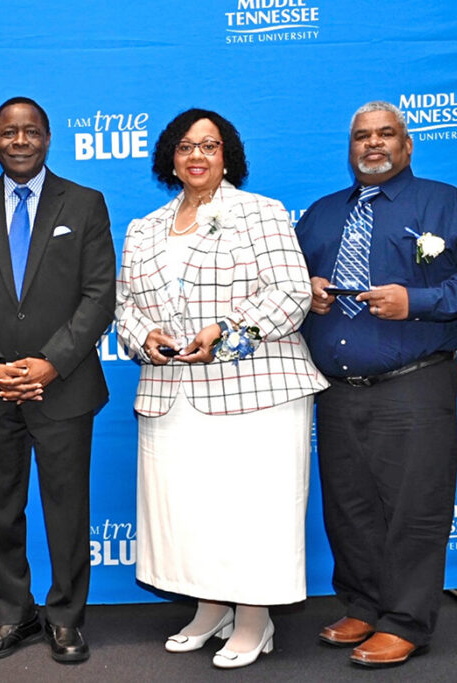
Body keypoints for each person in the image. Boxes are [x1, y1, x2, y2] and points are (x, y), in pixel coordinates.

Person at [115, 108, 327, 669]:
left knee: (251, 507)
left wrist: (226, 332)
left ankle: (255, 618)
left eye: (209, 146)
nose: (197, 156)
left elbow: (290, 294)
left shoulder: (260, 213)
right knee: (190, 509)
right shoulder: (143, 227)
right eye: (186, 146)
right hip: (171, 391)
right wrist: (147, 336)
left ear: (226, 155)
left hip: (256, 388)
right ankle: (212, 608)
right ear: (171, 157)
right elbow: (124, 307)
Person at [296, 100, 457, 668]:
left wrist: (419, 300)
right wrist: (303, 289)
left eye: (386, 134)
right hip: (336, 388)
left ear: (408, 146)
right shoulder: (320, 215)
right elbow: (282, 281)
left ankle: (406, 620)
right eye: (362, 136)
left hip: (415, 382)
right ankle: (363, 605)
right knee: (350, 506)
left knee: (415, 508)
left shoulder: (447, 203)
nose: (374, 144)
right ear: (351, 147)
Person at [0, 96, 116, 664]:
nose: (20, 141)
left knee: (67, 512)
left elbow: (99, 296)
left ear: (48, 137)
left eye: (31, 131)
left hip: (63, 387)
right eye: (8, 132)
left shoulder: (86, 203)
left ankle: (66, 618)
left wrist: (51, 362)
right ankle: (12, 615)